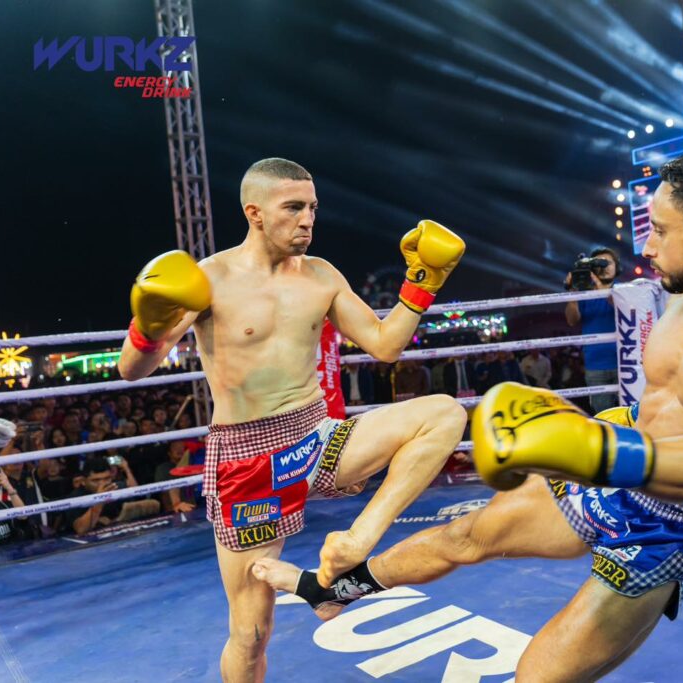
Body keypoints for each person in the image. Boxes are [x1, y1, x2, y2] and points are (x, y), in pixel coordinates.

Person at [255, 148, 683, 681]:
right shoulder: (682, 297)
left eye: (662, 231)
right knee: (465, 535)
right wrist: (597, 427)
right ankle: (333, 591)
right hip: (620, 474)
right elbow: (673, 406)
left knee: (537, 676)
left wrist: (588, 450)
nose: (647, 246)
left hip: (670, 528)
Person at [117, 157, 468, 683]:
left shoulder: (322, 275)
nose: (308, 219)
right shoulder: (209, 278)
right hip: (246, 456)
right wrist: (148, 325)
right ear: (254, 213)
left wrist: (424, 281)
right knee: (251, 633)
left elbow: (385, 345)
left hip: (316, 435)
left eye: (313, 208)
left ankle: (353, 545)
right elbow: (131, 369)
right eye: (294, 208)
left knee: (443, 413)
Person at [564, 246, 620, 412]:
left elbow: (623, 309)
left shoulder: (624, 290)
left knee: (631, 415)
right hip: (594, 366)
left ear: (617, 267)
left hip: (624, 364)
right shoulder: (585, 294)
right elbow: (571, 320)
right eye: (599, 263)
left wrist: (600, 287)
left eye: (608, 263)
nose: (604, 267)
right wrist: (573, 292)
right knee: (603, 416)